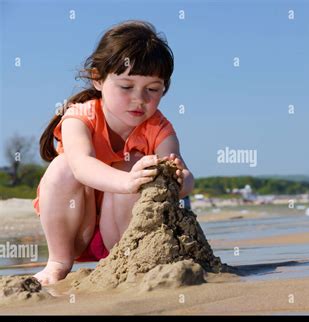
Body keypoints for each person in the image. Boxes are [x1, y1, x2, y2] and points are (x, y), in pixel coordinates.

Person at [32, 20, 194, 285]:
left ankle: (129, 260)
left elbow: (186, 176)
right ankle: (57, 263)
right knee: (64, 166)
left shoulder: (159, 127)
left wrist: (180, 179)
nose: (139, 99)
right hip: (76, 231)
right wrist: (127, 181)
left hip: (124, 234)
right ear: (98, 79)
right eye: (126, 86)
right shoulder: (81, 116)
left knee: (138, 166)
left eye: (152, 89)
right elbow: (81, 165)